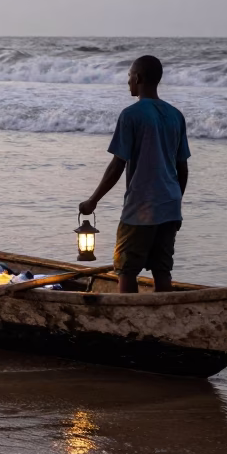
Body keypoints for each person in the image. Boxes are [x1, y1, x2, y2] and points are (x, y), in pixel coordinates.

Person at [79, 55, 190, 293]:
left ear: (138, 78)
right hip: (170, 206)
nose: (128, 81)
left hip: (141, 207)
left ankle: (127, 321)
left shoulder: (131, 115)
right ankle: (163, 318)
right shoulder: (175, 115)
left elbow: (117, 165)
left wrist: (93, 201)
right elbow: (182, 168)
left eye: (130, 76)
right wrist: (176, 202)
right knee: (162, 269)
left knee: (126, 268)